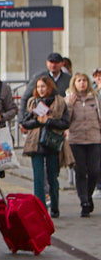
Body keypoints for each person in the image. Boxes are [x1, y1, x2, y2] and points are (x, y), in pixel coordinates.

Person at [20, 74, 69, 218]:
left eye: (44, 86)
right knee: (38, 178)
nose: (41, 90)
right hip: (35, 143)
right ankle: (40, 208)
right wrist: (38, 122)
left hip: (52, 142)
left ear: (50, 87)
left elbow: (65, 123)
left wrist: (48, 121)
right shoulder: (32, 102)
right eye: (38, 87)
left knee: (53, 177)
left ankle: (54, 206)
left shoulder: (59, 102)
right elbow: (25, 122)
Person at [66, 71, 101, 217]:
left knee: (94, 170)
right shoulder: (69, 99)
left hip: (94, 139)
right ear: (74, 83)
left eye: (84, 80)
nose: (82, 83)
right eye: (79, 80)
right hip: (76, 140)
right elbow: (65, 120)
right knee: (80, 171)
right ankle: (84, 201)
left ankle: (88, 193)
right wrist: (69, 105)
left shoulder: (95, 98)